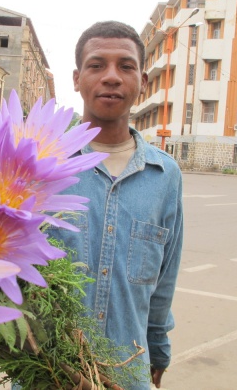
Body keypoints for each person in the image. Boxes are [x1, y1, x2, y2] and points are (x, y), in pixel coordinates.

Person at [47, 21, 184, 389]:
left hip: (127, 372)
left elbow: (163, 282)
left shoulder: (164, 175)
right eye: (96, 65)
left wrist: (158, 349)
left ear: (141, 79)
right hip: (43, 373)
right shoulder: (41, 162)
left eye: (125, 66)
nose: (111, 77)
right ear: (77, 78)